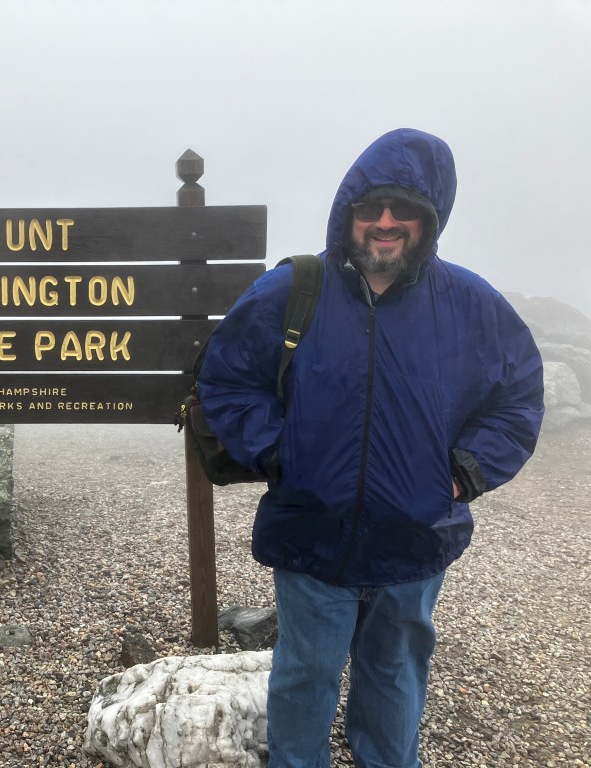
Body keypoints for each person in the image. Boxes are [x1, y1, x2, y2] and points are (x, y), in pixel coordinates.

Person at [197, 128, 544, 768]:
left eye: (403, 209)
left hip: (415, 539)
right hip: (310, 532)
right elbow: (227, 380)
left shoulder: (471, 305)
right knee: (306, 673)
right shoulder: (291, 292)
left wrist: (465, 473)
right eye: (370, 208)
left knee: (393, 676)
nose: (384, 222)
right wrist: (280, 454)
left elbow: (518, 399)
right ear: (347, 213)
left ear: (428, 220)